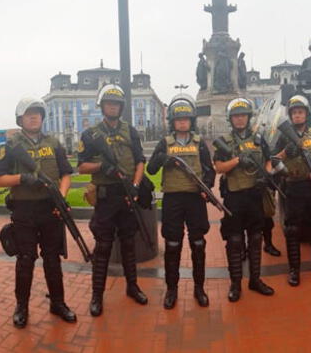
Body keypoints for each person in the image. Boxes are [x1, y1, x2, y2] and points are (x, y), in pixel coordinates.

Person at [0, 97, 76, 327]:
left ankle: (58, 303)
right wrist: (23, 178)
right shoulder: (11, 146)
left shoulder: (54, 142)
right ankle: (22, 307)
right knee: (26, 259)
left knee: (52, 257)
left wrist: (61, 196)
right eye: (28, 113)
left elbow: (66, 173)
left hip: (50, 208)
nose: (33, 117)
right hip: (24, 209)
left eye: (37, 113)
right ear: (20, 119)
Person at [77, 84, 148, 317]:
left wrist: (136, 186)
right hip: (106, 198)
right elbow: (81, 167)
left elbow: (140, 161)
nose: (113, 107)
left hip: (128, 195)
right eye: (109, 103)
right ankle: (97, 295)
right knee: (104, 247)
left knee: (129, 244)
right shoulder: (90, 135)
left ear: (121, 107)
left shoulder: (131, 131)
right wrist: (101, 167)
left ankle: (132, 286)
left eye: (116, 104)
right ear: (102, 106)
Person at [147, 94, 214, 309]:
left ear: (191, 121)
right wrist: (163, 158)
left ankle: (199, 288)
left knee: (198, 243)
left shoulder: (199, 143)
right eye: (178, 119)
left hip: (195, 199)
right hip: (173, 199)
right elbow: (151, 169)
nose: (182, 122)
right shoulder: (164, 143)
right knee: (173, 244)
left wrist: (207, 189)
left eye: (186, 119)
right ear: (173, 122)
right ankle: (172, 289)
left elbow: (209, 170)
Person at [213, 98, 275, 302]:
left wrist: (265, 176)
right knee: (234, 240)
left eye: (243, 116)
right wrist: (238, 160)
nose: (240, 119)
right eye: (236, 116)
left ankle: (255, 280)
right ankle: (236, 284)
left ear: (248, 118)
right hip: (234, 196)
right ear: (231, 119)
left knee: (256, 238)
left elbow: (268, 159)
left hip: (255, 195)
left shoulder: (258, 138)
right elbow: (219, 167)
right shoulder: (225, 141)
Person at [275, 95, 311, 286]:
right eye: (294, 113)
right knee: (292, 230)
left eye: (300, 112)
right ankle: (294, 270)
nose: (297, 116)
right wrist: (286, 152)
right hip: (293, 187)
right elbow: (272, 161)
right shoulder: (284, 135)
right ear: (290, 115)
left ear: (306, 114)